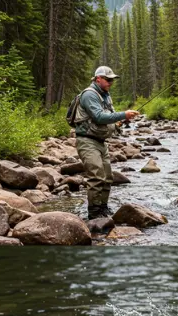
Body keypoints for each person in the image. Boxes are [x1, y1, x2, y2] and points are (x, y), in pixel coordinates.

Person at [74, 66, 140, 219]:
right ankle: (94, 212)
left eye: (112, 79)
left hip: (101, 141)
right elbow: (98, 117)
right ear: (98, 79)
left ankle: (103, 207)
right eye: (108, 79)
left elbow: (108, 117)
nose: (111, 82)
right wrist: (123, 114)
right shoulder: (89, 94)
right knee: (96, 176)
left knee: (108, 177)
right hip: (87, 141)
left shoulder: (106, 95)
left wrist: (119, 122)